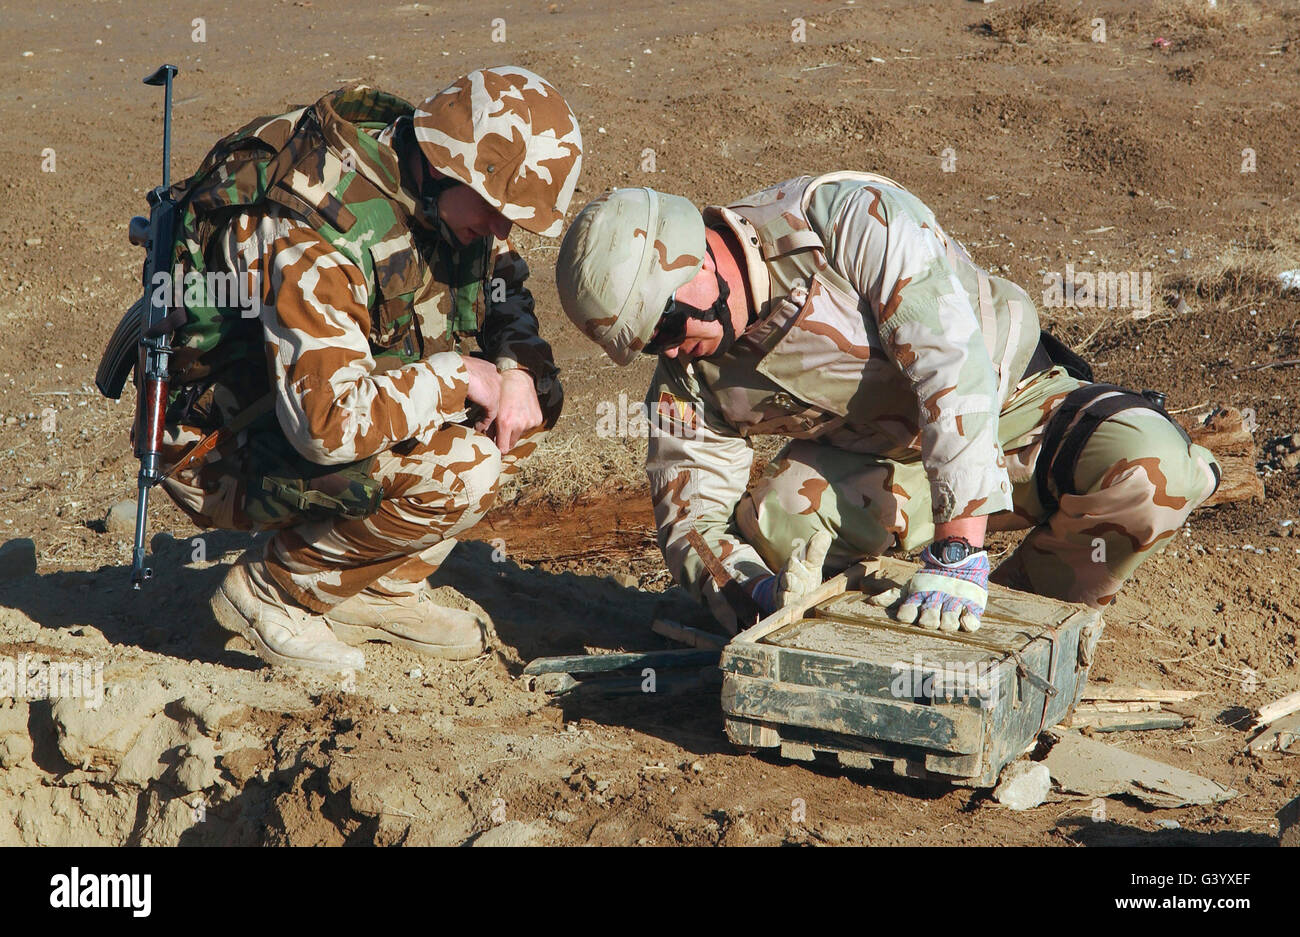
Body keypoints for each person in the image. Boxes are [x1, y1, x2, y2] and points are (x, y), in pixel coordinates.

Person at [555, 172, 1220, 634]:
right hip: (888, 473)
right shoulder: (687, 373)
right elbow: (692, 520)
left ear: (695, 264)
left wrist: (959, 548)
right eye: (649, 346)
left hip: (1012, 407)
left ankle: (1020, 621)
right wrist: (759, 592)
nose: (670, 353)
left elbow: (949, 363)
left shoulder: (846, 217)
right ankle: (921, 634)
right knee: (784, 520)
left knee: (1156, 470)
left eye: (669, 327)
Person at [149, 67, 581, 670]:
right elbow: (326, 427)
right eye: (494, 211)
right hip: (224, 444)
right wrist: (456, 377)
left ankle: (376, 587)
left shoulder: (448, 199)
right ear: (445, 164)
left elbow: (503, 291)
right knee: (466, 468)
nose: (501, 230)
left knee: (517, 409)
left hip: (320, 406)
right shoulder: (316, 228)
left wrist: (514, 370)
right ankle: (275, 590)